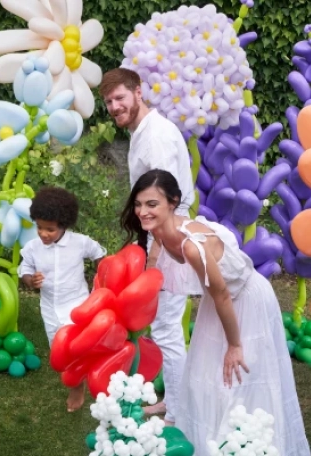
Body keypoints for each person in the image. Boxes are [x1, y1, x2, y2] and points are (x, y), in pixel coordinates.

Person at [121, 169, 311, 456]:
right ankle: (208, 454)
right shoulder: (159, 234)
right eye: (138, 204)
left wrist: (235, 345)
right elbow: (152, 273)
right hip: (218, 306)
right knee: (201, 380)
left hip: (244, 304)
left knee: (236, 383)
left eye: (152, 204)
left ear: (172, 203)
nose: (144, 211)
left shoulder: (190, 244)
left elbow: (223, 292)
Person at [100, 67, 195, 421]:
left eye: (120, 97)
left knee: (168, 328)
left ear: (139, 92)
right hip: (162, 236)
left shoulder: (154, 136)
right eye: (109, 101)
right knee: (165, 326)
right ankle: (173, 400)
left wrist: (155, 256)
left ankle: (180, 413)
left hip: (169, 239)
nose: (114, 106)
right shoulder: (145, 131)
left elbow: (162, 201)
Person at [18, 186, 106, 412]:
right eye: (39, 227)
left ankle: (77, 387)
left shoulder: (80, 242)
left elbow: (100, 255)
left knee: (76, 348)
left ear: (64, 224)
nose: (43, 234)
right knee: (58, 351)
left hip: (77, 306)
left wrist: (102, 280)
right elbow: (24, 268)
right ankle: (76, 377)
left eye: (50, 229)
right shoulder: (33, 247)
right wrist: (30, 280)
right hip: (49, 308)